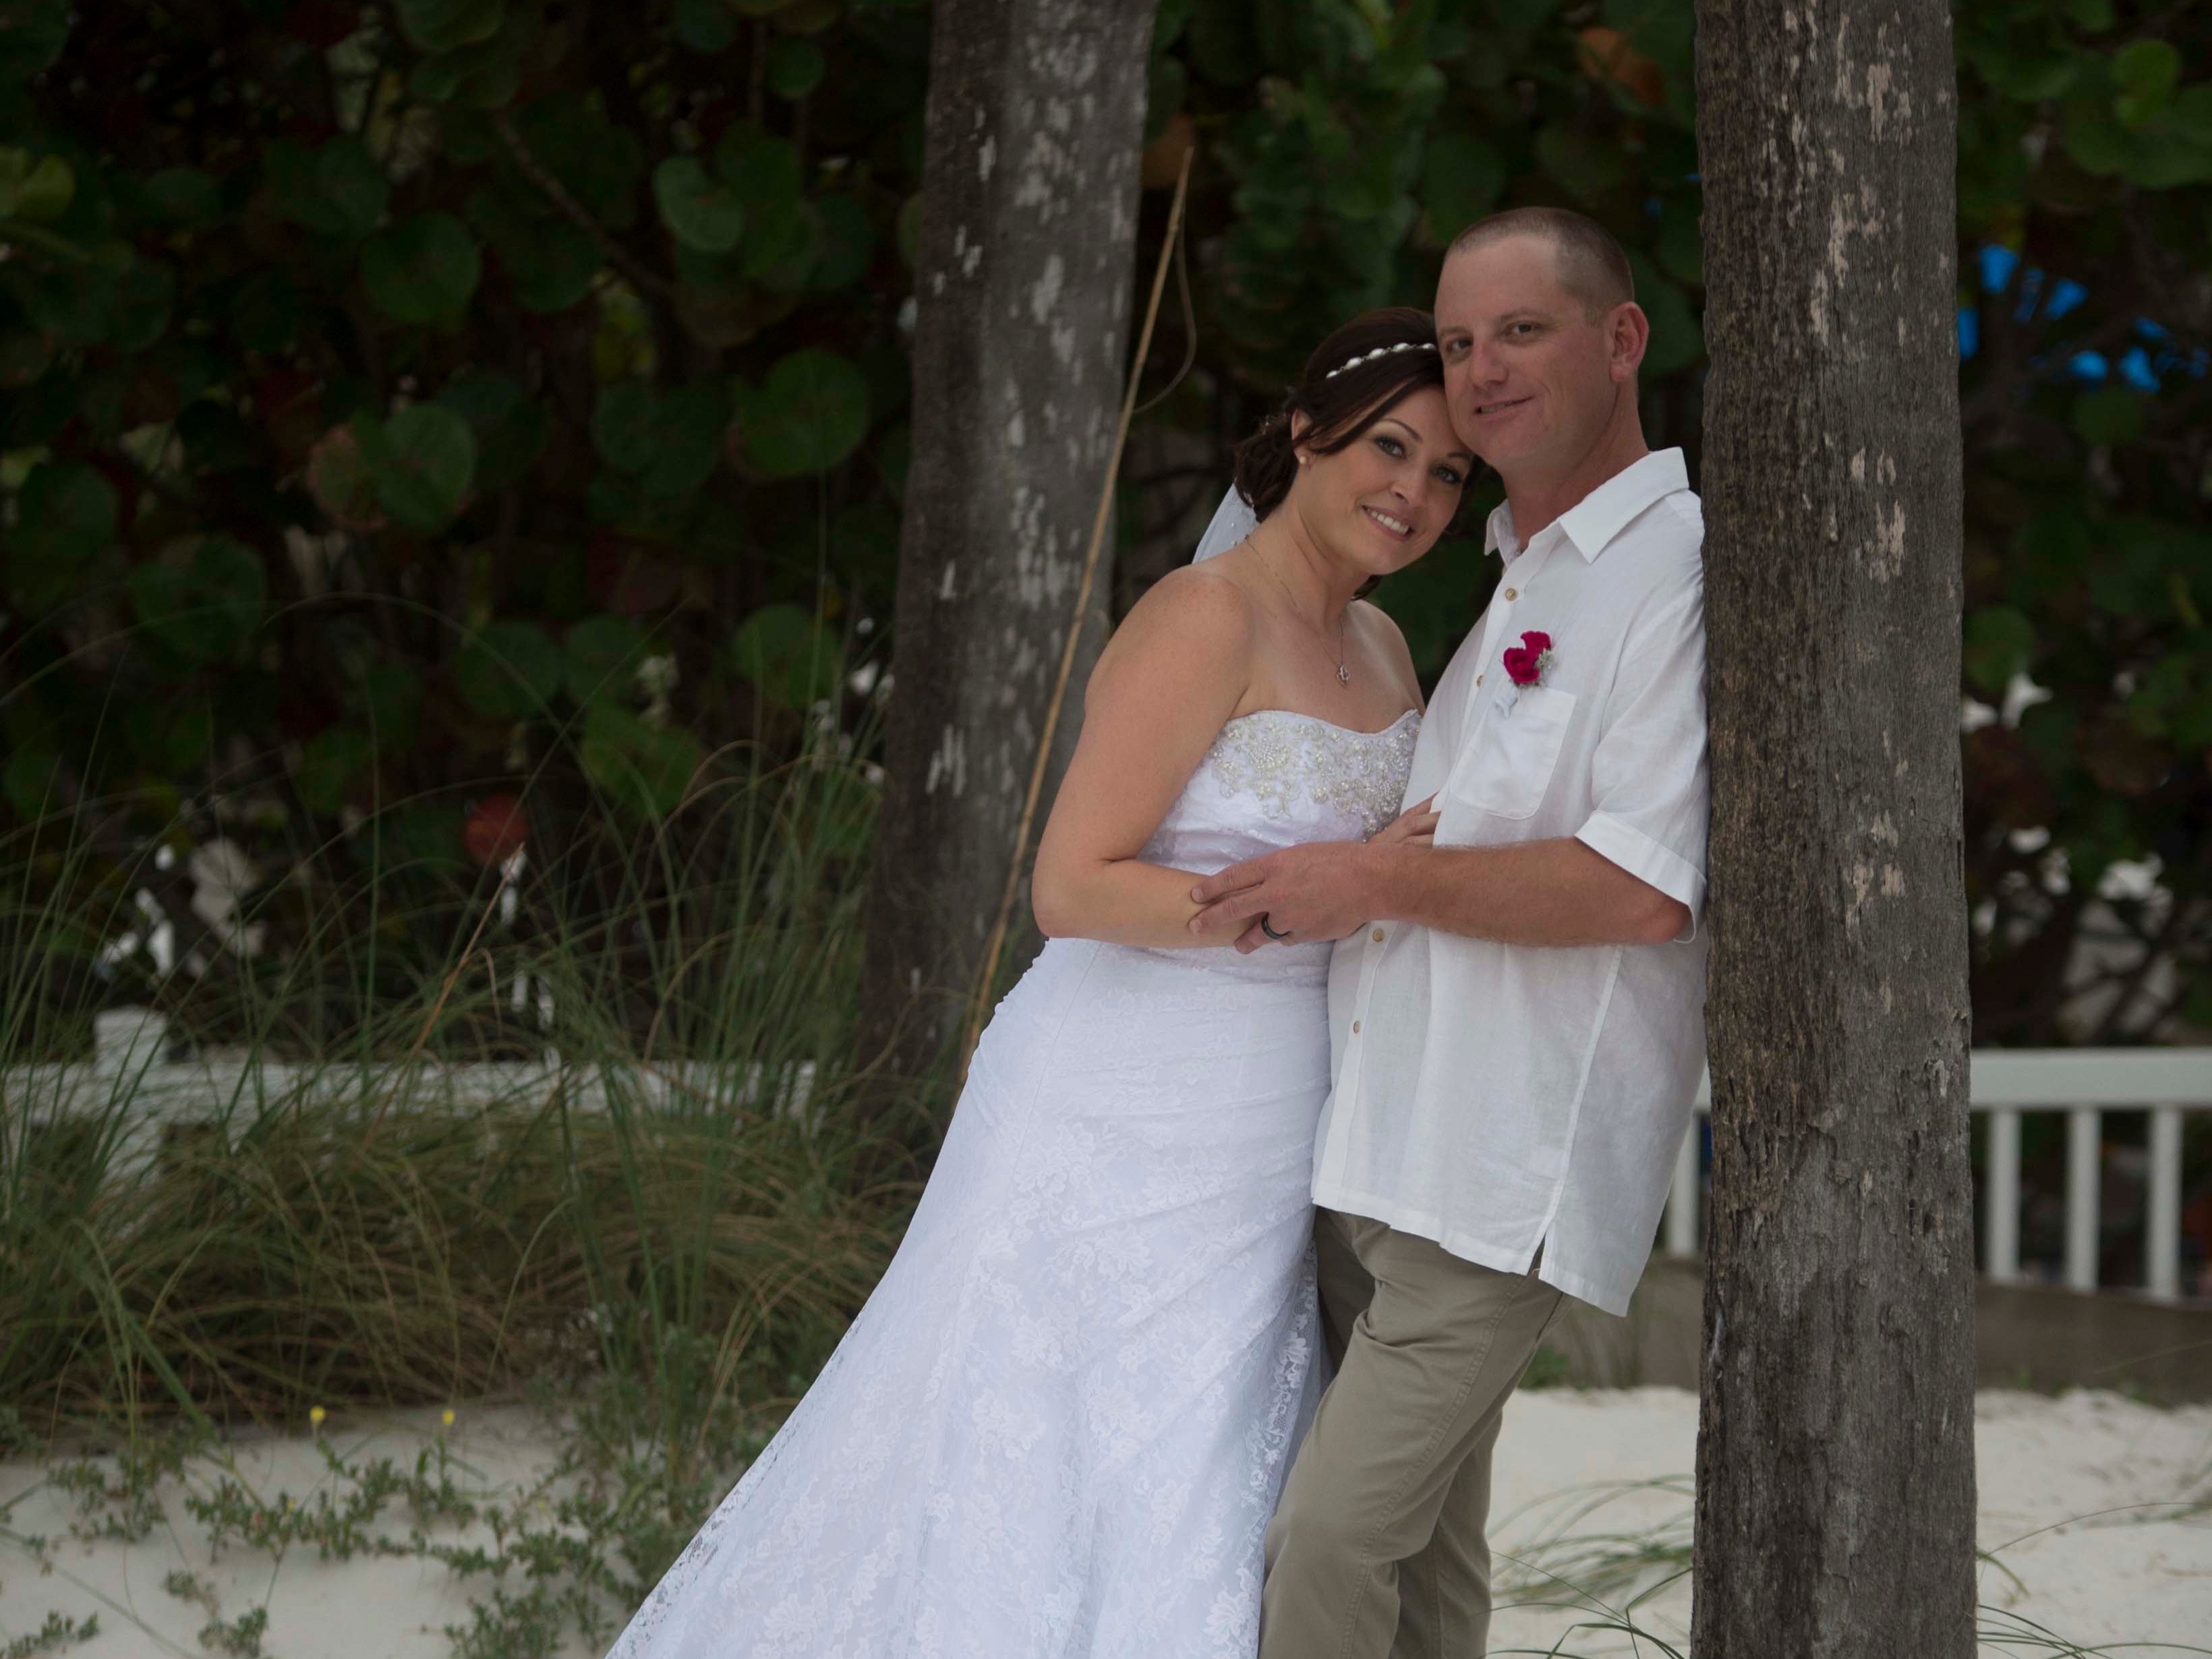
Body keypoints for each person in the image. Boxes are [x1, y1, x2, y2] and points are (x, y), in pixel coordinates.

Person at [602, 308, 1473, 1659]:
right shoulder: (1204, 616)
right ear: (1305, 435)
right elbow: (1071, 884)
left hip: (1273, 1130)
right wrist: (1289, 894)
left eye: (1446, 472)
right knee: (1036, 1461)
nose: (1411, 493)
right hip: (1109, 1106)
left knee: (1199, 1470)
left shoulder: (1390, 652)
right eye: (1386, 448)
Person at [1189, 207, 1711, 1659]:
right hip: (1378, 1153)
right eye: (1461, 339)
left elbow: (1641, 888)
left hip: (1495, 1174)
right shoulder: (1512, 579)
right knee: (1424, 1574)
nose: (1478, 370)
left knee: (1324, 1547)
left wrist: (1371, 885)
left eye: (1520, 331)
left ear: (1620, 341)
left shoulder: (1670, 574)